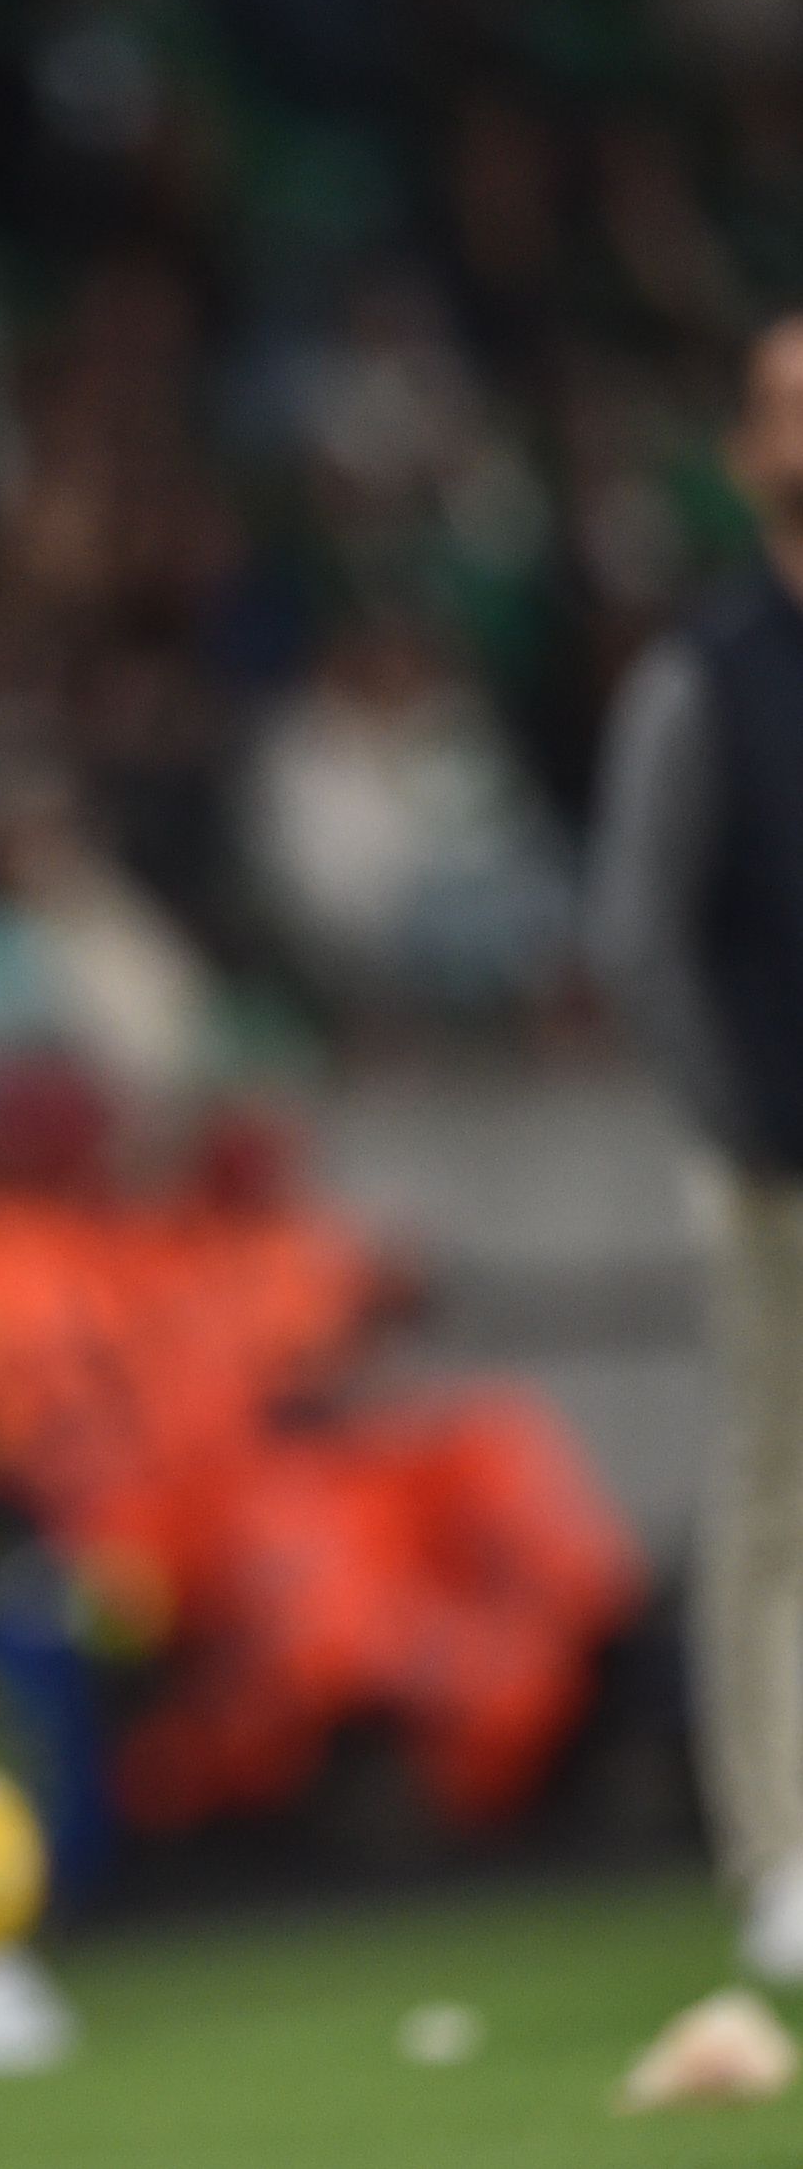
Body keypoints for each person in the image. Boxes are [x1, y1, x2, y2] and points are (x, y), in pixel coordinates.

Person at [589, 311, 803, 1981]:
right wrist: (739, 1125)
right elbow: (643, 933)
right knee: (774, 1503)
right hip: (775, 1165)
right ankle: (782, 1854)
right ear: (743, 456)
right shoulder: (706, 677)